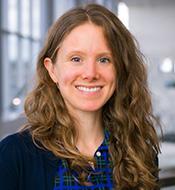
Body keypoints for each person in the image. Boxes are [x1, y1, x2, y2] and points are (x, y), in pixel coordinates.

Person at [0, 3, 160, 190]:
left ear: (120, 70)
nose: (90, 73)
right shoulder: (13, 155)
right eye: (76, 59)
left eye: (104, 59)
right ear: (52, 70)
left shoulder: (140, 153)